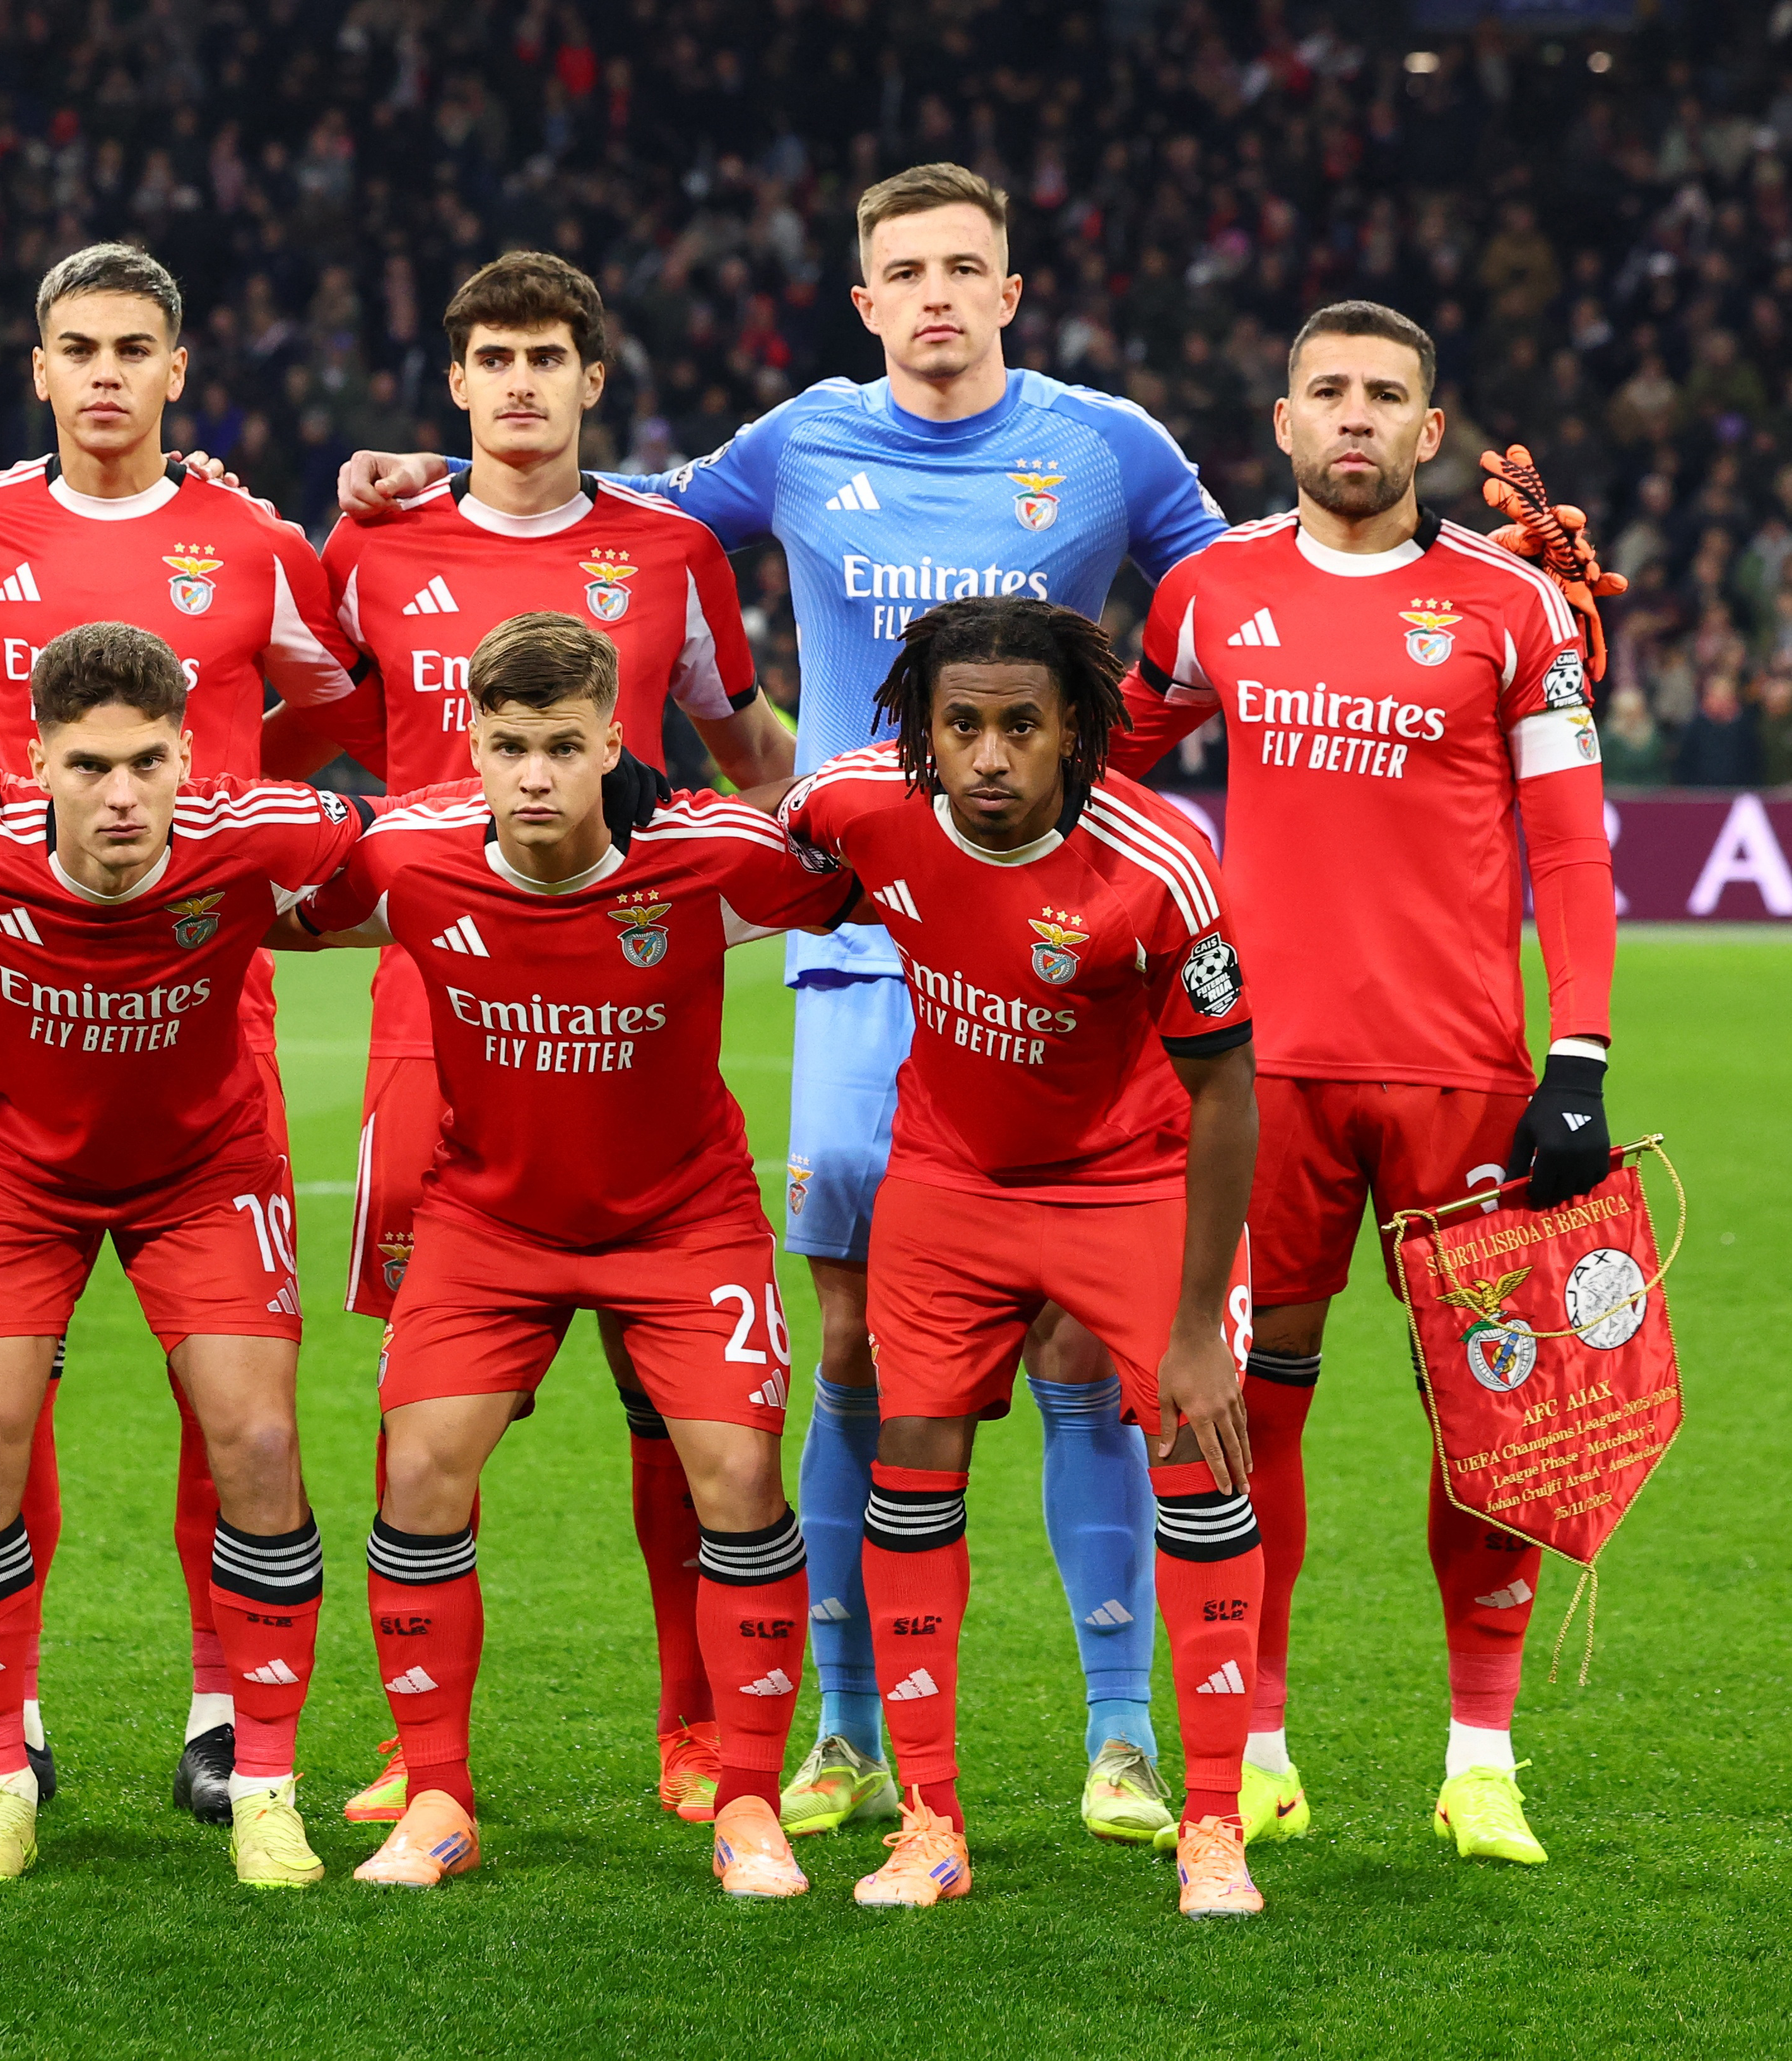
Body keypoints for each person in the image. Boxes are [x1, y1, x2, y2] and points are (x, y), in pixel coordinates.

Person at [338, 164, 1229, 1843]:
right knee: (845, 1334)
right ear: (865, 297)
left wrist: (1128, 751)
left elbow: (1219, 604)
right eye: (907, 271)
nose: (939, 295)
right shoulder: (795, 443)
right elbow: (626, 514)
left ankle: (1118, 1733)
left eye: (968, 265)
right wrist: (434, 471)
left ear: (1011, 289)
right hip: (856, 932)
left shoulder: (1110, 444)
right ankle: (834, 1729)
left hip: (1049, 930)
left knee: (1071, 1336)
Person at [259, 249, 802, 1829]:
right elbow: (280, 714)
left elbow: (745, 747)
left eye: (546, 357)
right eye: (491, 356)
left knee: (668, 1396)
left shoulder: (674, 550)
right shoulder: (368, 544)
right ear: (454, 380)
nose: (517, 384)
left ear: (591, 381)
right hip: (434, 1002)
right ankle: (416, 1742)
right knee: (437, 1403)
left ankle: (696, 1723)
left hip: (627, 993)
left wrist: (758, 871)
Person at [1113, 302, 1615, 1864]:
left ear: (1430, 429)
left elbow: (1570, 846)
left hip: (1463, 1078)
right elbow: (1109, 766)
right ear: (1280, 421)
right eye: (1326, 390)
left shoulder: (1511, 605)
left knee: (1501, 1419)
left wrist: (1578, 1054)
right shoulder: (1209, 591)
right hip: (1260, 1079)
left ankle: (1482, 1754)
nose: (1353, 416)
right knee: (1250, 1411)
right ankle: (1256, 1741)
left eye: (1383, 395)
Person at [282, 611, 858, 1895]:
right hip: (491, 1224)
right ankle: (436, 1798)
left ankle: (748, 1802)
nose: (532, 774)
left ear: (613, 742)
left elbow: (854, 866)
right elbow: (261, 896)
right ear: (470, 752)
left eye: (559, 745)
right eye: (505, 747)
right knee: (419, 1466)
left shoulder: (704, 852)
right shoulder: (412, 857)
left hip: (681, 1219)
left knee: (734, 1473)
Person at [0, 241, 368, 1825]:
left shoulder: (255, 539)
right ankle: (9, 1722)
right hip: (21, 1013)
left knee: (226, 1402)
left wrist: (223, 805)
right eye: (76, 347)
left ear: (179, 371)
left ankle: (220, 1717)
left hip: (200, 1008)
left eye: (133, 348)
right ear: (36, 368)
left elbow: (337, 709)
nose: (104, 373)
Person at [0, 621, 366, 1886]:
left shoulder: (267, 829)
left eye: (146, 762)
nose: (121, 795)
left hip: (204, 1166)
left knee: (257, 1442)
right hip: (5, 1169)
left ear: (190, 755)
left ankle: (264, 1785)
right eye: (88, 767)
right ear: (33, 763)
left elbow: (432, 834)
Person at [778, 594, 1264, 1918]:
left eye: (1019, 728)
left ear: (1074, 735)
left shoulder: (1156, 867)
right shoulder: (856, 808)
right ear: (921, 736)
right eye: (962, 728)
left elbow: (1226, 1095)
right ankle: (927, 1823)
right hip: (945, 1182)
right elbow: (765, 854)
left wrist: (1190, 1332)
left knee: (1197, 1455)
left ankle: (1210, 1824)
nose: (988, 757)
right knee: (912, 1459)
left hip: (1130, 1183)